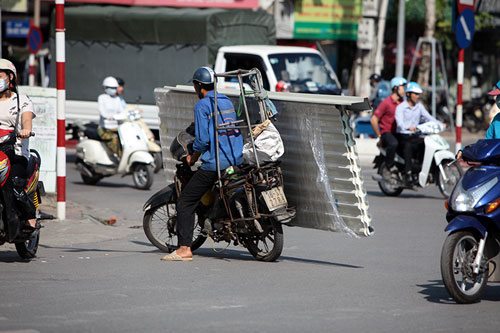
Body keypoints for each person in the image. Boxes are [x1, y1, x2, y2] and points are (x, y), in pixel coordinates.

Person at [161, 67, 244, 261]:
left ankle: (184, 249)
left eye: (194, 85)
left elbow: (203, 140)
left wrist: (193, 157)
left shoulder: (202, 105)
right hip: (236, 158)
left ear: (198, 85)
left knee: (185, 202)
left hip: (217, 163)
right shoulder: (224, 101)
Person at [0, 59, 37, 231]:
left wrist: (26, 129)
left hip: (14, 153)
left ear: (10, 77)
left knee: (16, 187)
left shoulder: (21, 100)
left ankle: (30, 220)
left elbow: (27, 119)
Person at [395, 82, 442, 186]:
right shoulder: (401, 107)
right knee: (408, 147)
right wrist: (408, 127)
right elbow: (400, 123)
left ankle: (422, 169)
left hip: (415, 135)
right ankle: (408, 173)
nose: (417, 96)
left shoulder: (419, 107)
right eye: (415, 94)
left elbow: (429, 118)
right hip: (404, 136)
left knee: (426, 144)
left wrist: (440, 124)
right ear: (408, 94)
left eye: (418, 94)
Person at [456, 79, 500, 159]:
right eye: (497, 97)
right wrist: (465, 150)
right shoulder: (496, 119)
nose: (497, 99)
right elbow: (486, 143)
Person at [370, 77, 407, 168]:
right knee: (393, 143)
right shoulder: (386, 103)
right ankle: (388, 167)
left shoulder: (404, 103)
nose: (405, 90)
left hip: (399, 132)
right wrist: (379, 137)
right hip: (387, 133)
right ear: (395, 88)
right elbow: (374, 120)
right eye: (403, 87)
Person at [97, 76, 125, 158]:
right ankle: (117, 157)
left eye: (114, 88)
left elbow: (122, 111)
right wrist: (110, 117)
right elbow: (102, 112)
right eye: (111, 88)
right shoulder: (102, 98)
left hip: (116, 128)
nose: (113, 90)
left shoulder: (117, 99)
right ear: (105, 88)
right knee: (114, 140)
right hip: (105, 129)